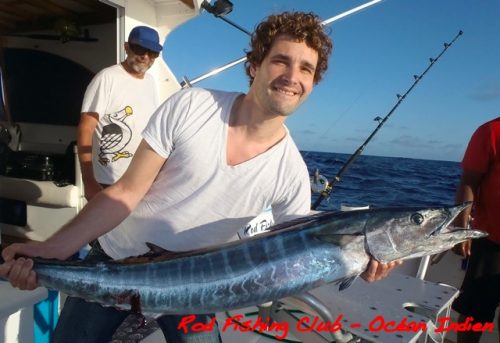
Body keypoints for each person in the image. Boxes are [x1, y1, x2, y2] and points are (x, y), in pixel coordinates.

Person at [0, 12, 399, 343]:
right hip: (117, 261)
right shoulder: (191, 106)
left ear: (312, 84)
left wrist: (353, 261)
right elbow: (125, 192)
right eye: (281, 60)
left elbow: (293, 262)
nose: (292, 75)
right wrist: (50, 252)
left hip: (203, 286)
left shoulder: (292, 172)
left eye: (306, 68)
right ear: (254, 65)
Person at [78, 25, 161, 201]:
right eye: (140, 49)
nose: (145, 56)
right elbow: (86, 127)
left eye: (153, 52)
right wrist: (88, 180)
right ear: (126, 47)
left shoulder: (151, 82)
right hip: (108, 181)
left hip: (139, 180)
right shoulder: (107, 77)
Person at [451, 117, 500, 343]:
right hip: (490, 240)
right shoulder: (491, 131)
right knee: (475, 311)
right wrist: (462, 228)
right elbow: (469, 182)